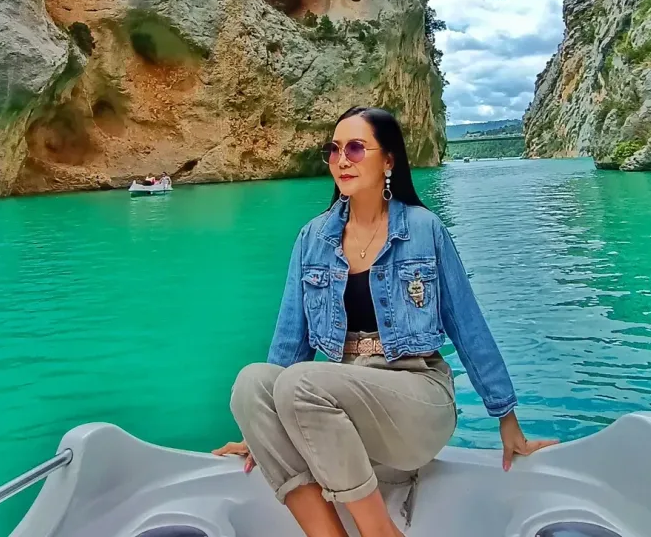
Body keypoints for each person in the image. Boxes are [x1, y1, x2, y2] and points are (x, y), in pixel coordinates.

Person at [214, 106, 556, 537]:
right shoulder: (311, 239)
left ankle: (380, 532)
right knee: (251, 383)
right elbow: (289, 342)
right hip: (339, 398)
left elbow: (468, 325)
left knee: (300, 382)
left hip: (416, 397)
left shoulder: (423, 229)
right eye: (334, 149)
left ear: (388, 160)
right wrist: (260, 429)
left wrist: (506, 418)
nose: (342, 160)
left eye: (356, 148)